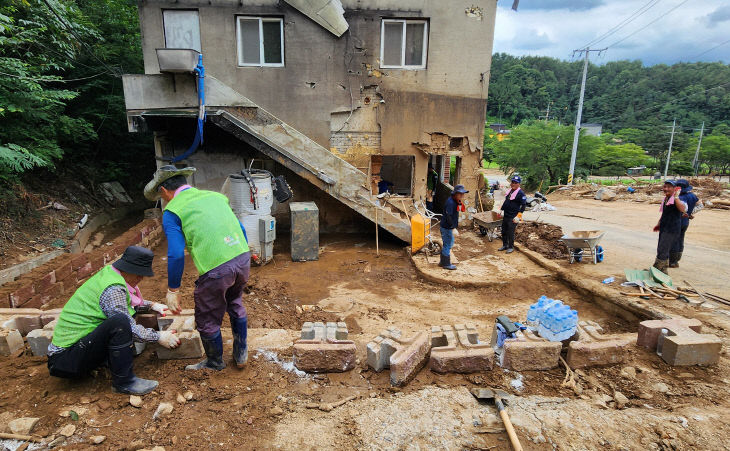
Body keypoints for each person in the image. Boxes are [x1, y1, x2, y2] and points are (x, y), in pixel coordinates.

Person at [144, 165, 251, 371]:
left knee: (207, 316)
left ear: (164, 190)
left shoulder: (172, 211)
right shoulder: (216, 197)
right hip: (241, 256)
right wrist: (243, 253)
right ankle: (241, 353)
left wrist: (173, 290)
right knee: (235, 302)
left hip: (217, 267)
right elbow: (242, 228)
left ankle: (214, 362)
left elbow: (175, 253)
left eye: (161, 194)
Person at [48, 246, 180, 395]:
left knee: (122, 317)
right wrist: (159, 337)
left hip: (77, 350)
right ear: (128, 269)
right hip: (66, 360)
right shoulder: (113, 289)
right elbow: (129, 327)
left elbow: (125, 302)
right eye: (139, 274)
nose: (141, 278)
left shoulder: (112, 274)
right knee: (120, 322)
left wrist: (152, 305)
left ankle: (107, 361)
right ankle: (124, 382)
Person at [652, 180, 687, 272]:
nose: (666, 189)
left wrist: (676, 197)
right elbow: (664, 213)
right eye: (665, 187)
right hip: (664, 227)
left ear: (674, 189)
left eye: (669, 187)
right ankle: (660, 269)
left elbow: (683, 209)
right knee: (661, 248)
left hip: (672, 229)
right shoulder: (666, 199)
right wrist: (659, 223)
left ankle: (660, 270)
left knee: (663, 250)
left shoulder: (677, 199)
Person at [669, 179, 699, 267]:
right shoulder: (692, 196)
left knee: (674, 240)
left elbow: (682, 208)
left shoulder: (679, 198)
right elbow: (700, 205)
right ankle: (677, 259)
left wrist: (685, 213)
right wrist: (690, 214)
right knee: (680, 239)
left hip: (677, 221)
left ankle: (672, 261)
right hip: (685, 222)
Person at [439, 184, 468, 270]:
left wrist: (459, 204)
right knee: (448, 244)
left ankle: (442, 262)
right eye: (460, 194)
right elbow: (448, 216)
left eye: (463, 194)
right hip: (447, 227)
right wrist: (453, 227)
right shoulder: (451, 203)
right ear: (455, 193)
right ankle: (446, 263)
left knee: (447, 243)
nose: (462, 196)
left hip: (447, 227)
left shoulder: (454, 201)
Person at [499, 175, 527, 254]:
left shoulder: (521, 193)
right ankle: (505, 245)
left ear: (519, 184)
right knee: (504, 231)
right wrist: (501, 210)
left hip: (513, 216)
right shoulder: (510, 191)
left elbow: (523, 205)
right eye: (512, 182)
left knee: (510, 232)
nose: (513, 184)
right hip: (506, 214)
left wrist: (519, 216)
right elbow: (506, 201)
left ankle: (511, 247)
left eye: (515, 183)